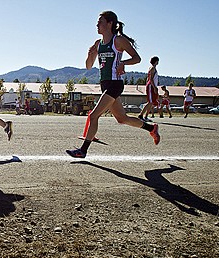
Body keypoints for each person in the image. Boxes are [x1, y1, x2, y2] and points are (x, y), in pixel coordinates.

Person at [66, 11, 160, 158]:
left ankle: (83, 150)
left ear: (109, 23)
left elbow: (137, 58)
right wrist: (90, 54)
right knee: (122, 119)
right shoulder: (98, 44)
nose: (97, 24)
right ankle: (151, 128)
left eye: (100, 21)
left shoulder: (118, 41)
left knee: (94, 115)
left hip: (114, 84)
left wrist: (123, 63)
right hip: (105, 84)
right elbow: (88, 66)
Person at [138, 56, 160, 121]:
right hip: (151, 86)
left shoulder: (152, 68)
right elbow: (150, 79)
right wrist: (154, 87)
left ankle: (146, 116)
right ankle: (141, 115)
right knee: (150, 102)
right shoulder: (152, 68)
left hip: (151, 86)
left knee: (152, 102)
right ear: (156, 61)